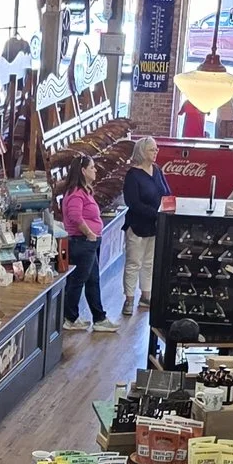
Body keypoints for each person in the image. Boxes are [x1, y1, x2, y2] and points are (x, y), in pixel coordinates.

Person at [56, 156, 115, 332]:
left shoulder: (84, 191)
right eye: (92, 167)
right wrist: (89, 233)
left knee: (92, 280)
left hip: (89, 242)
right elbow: (75, 216)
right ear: (83, 171)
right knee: (78, 281)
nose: (95, 170)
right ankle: (70, 317)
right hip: (82, 242)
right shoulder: (76, 193)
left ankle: (99, 318)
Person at [119, 137, 165, 320]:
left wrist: (166, 209)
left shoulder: (157, 170)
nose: (156, 152)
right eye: (152, 149)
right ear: (142, 152)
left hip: (154, 225)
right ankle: (129, 299)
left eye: (156, 149)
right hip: (137, 224)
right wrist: (155, 213)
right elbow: (133, 202)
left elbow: (166, 192)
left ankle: (146, 296)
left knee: (149, 262)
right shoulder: (133, 175)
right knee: (133, 262)